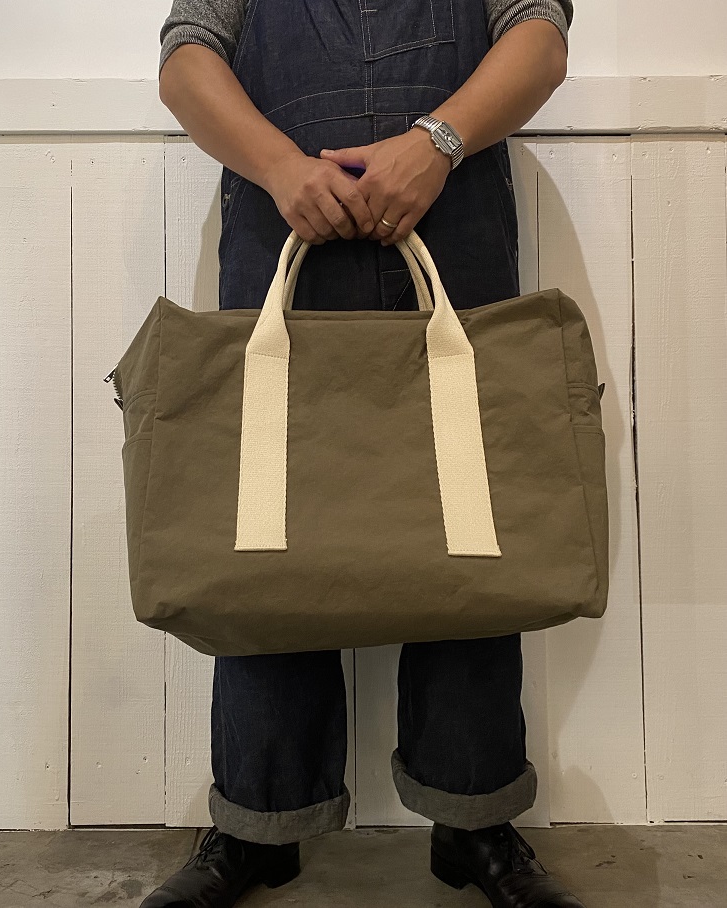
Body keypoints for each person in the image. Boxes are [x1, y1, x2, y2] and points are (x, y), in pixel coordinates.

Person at [143, 2, 584, 906]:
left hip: (451, 228)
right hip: (282, 230)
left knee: (471, 540)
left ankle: (474, 818)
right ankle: (257, 822)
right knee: (264, 546)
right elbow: (186, 59)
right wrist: (282, 169)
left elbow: (539, 38)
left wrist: (436, 144)